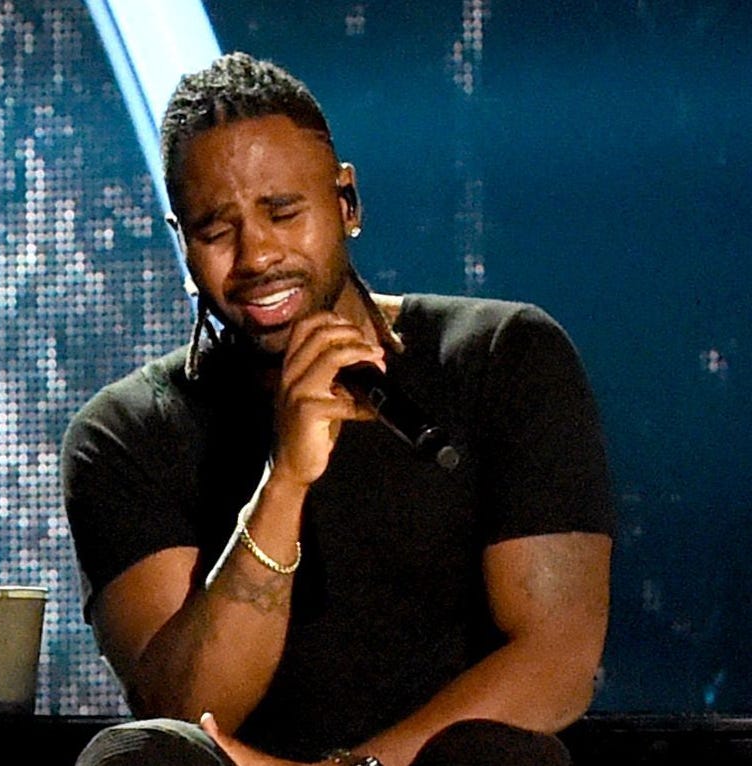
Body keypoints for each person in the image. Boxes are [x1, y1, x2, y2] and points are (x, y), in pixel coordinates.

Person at [60, 51, 615, 766]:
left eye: (283, 212)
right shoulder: (126, 433)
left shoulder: (503, 356)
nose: (256, 254)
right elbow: (186, 707)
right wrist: (284, 479)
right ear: (182, 243)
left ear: (346, 202)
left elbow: (557, 659)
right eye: (214, 230)